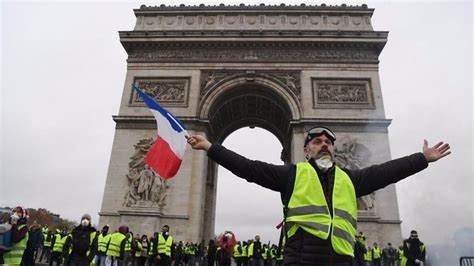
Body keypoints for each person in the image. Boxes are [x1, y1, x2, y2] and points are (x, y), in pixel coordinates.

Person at [186, 126, 451, 265]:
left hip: (343, 261)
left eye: (328, 142)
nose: (323, 144)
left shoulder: (350, 179)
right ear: (306, 151)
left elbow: (384, 172)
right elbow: (249, 168)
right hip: (302, 261)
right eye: (316, 141)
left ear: (334, 149)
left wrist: (421, 159)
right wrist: (210, 147)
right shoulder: (292, 175)